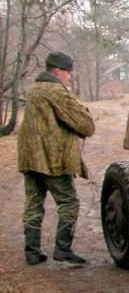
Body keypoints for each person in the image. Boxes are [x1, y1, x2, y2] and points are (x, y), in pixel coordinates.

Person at [17, 51, 95, 265]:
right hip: (52, 160)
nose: (69, 77)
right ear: (58, 71)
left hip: (30, 159)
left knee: (33, 204)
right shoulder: (56, 91)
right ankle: (63, 248)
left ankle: (32, 252)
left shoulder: (33, 89)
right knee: (69, 202)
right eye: (68, 73)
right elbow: (85, 125)